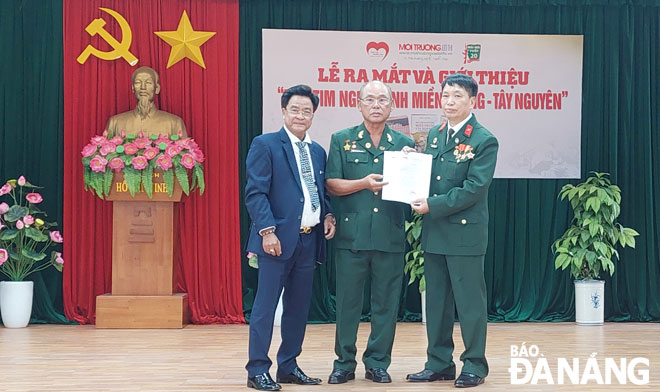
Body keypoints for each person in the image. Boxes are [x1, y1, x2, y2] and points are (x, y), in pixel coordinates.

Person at [406, 73, 498, 388]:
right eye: (445, 95)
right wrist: (410, 164)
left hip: (464, 233)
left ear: (473, 100)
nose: (449, 101)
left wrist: (433, 204)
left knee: (469, 303)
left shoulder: (483, 139)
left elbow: (474, 189)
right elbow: (429, 175)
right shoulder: (434, 134)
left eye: (457, 95)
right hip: (435, 233)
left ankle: (474, 366)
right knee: (437, 303)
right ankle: (439, 363)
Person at [244, 84, 336, 391]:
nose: (300, 115)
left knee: (298, 308)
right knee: (265, 307)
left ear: (313, 115)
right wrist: (267, 231)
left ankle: (288, 365)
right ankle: (257, 369)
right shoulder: (266, 144)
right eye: (294, 109)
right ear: (283, 112)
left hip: (308, 242)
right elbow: (255, 194)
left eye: (306, 111)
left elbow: (317, 193)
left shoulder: (318, 151)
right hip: (276, 241)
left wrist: (328, 214)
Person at [325, 80, 414, 384]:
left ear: (392, 105)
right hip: (352, 238)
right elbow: (332, 184)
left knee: (386, 305)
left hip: (389, 235)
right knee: (348, 304)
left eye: (382, 100)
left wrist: (414, 172)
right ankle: (343, 363)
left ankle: (377, 362)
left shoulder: (404, 143)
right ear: (358, 104)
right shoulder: (342, 140)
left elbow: (412, 190)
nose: (376, 105)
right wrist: (363, 183)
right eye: (370, 99)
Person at [106, 66, 186, 137]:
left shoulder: (174, 123)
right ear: (133, 88)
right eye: (138, 83)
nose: (143, 87)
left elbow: (185, 152)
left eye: (148, 83)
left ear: (157, 88)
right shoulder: (115, 122)